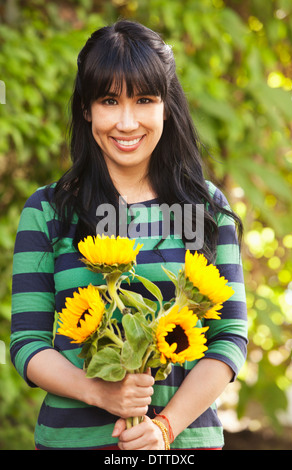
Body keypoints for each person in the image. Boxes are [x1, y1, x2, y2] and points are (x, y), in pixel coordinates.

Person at [10, 20, 247, 450]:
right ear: (86, 109)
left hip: (184, 444)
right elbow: (27, 342)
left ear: (166, 106)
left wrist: (164, 427)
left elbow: (230, 338)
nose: (126, 121)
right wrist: (99, 391)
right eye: (108, 100)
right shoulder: (48, 211)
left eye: (144, 100)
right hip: (72, 441)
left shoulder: (207, 208)